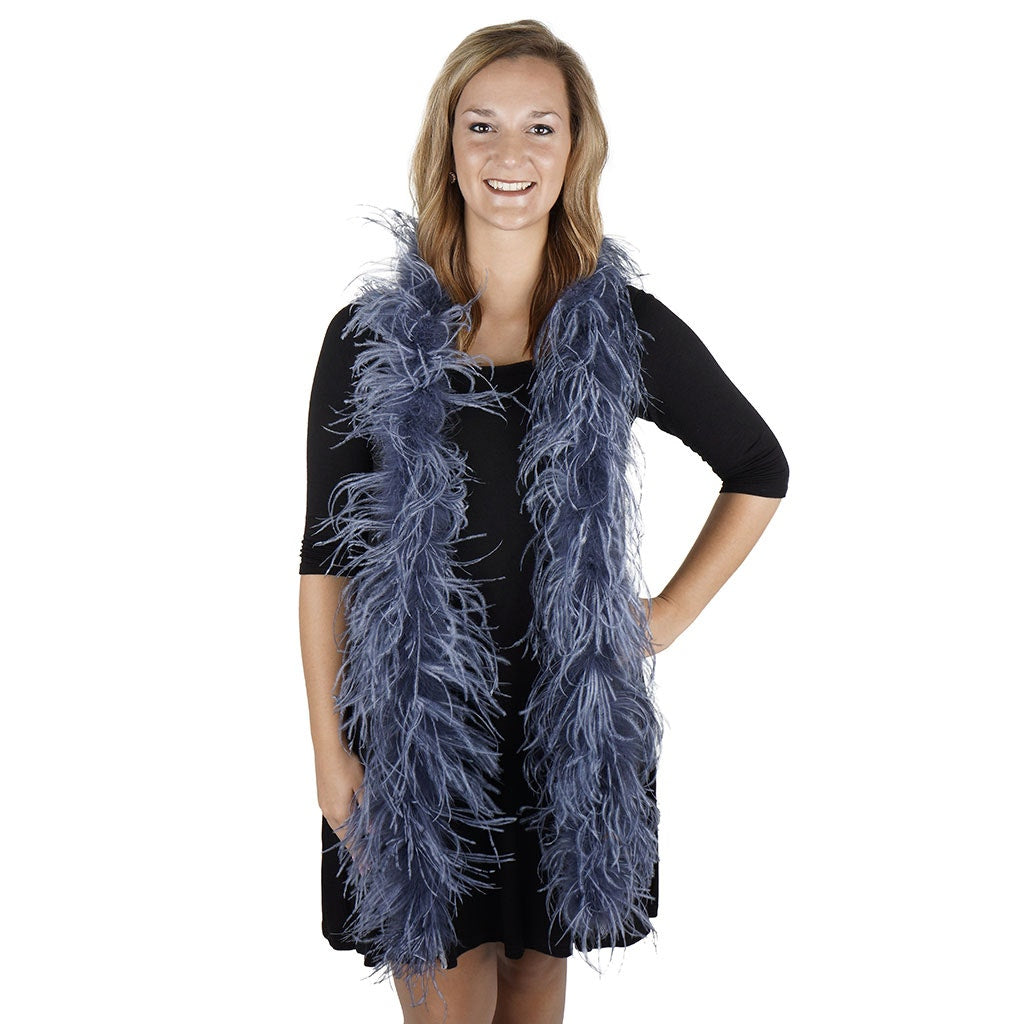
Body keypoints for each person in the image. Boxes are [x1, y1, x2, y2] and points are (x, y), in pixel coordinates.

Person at [298, 19, 789, 1024]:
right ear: (447, 146)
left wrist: (661, 617)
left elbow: (757, 467)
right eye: (481, 126)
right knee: (442, 983)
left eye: (539, 127)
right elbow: (322, 558)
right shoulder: (368, 338)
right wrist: (328, 755)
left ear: (575, 151)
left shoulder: (620, 330)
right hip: (412, 727)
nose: (509, 154)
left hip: (566, 721)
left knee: (534, 981)